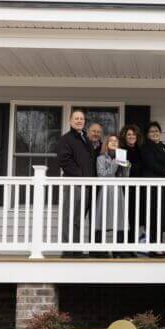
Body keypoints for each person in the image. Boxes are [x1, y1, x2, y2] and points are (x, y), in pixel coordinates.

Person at [57, 109, 95, 258]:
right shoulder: (66, 139)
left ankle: (77, 249)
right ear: (70, 121)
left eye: (81, 119)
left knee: (79, 219)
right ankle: (68, 250)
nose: (79, 121)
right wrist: (80, 176)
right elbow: (64, 160)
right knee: (69, 217)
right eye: (76, 118)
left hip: (86, 184)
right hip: (73, 183)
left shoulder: (85, 138)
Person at [140, 122, 165, 255]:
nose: (154, 133)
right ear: (147, 134)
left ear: (160, 132)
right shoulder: (145, 148)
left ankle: (160, 244)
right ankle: (152, 246)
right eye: (151, 131)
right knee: (152, 216)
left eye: (156, 131)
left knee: (162, 216)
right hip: (152, 188)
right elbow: (151, 164)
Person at [96, 135, 130, 258]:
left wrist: (127, 167)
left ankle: (118, 250)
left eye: (116, 141)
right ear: (106, 143)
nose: (114, 142)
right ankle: (100, 250)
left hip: (118, 191)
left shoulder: (121, 156)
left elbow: (125, 177)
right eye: (111, 140)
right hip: (106, 191)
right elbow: (102, 175)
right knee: (103, 219)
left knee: (119, 219)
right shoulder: (100, 158)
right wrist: (115, 163)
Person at [119, 124, 143, 249]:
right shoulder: (121, 151)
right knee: (124, 218)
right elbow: (120, 171)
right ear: (124, 136)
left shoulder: (140, 150)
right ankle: (122, 248)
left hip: (138, 190)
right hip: (125, 189)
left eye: (134, 134)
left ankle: (132, 247)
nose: (131, 136)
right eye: (129, 134)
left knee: (135, 219)